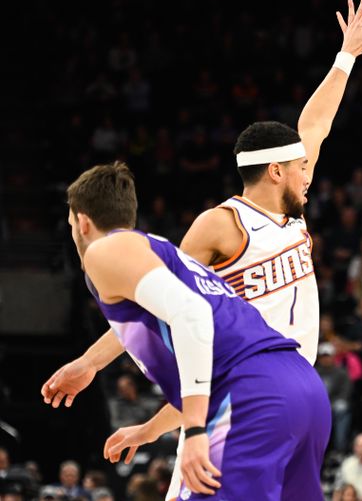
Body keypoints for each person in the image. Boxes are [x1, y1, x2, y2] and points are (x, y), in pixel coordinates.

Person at [41, 0, 362, 500]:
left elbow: (316, 124)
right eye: (300, 168)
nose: (308, 176)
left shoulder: (289, 204)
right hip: (250, 392)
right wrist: (93, 365)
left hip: (272, 386)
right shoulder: (221, 225)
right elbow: (157, 298)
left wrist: (346, 56)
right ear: (275, 171)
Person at [44, 162, 330, 499]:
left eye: (70, 225)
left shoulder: (105, 250)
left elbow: (193, 317)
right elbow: (216, 363)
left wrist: (195, 430)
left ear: (82, 222)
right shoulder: (168, 262)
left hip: (253, 396)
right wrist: (149, 429)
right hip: (300, 389)